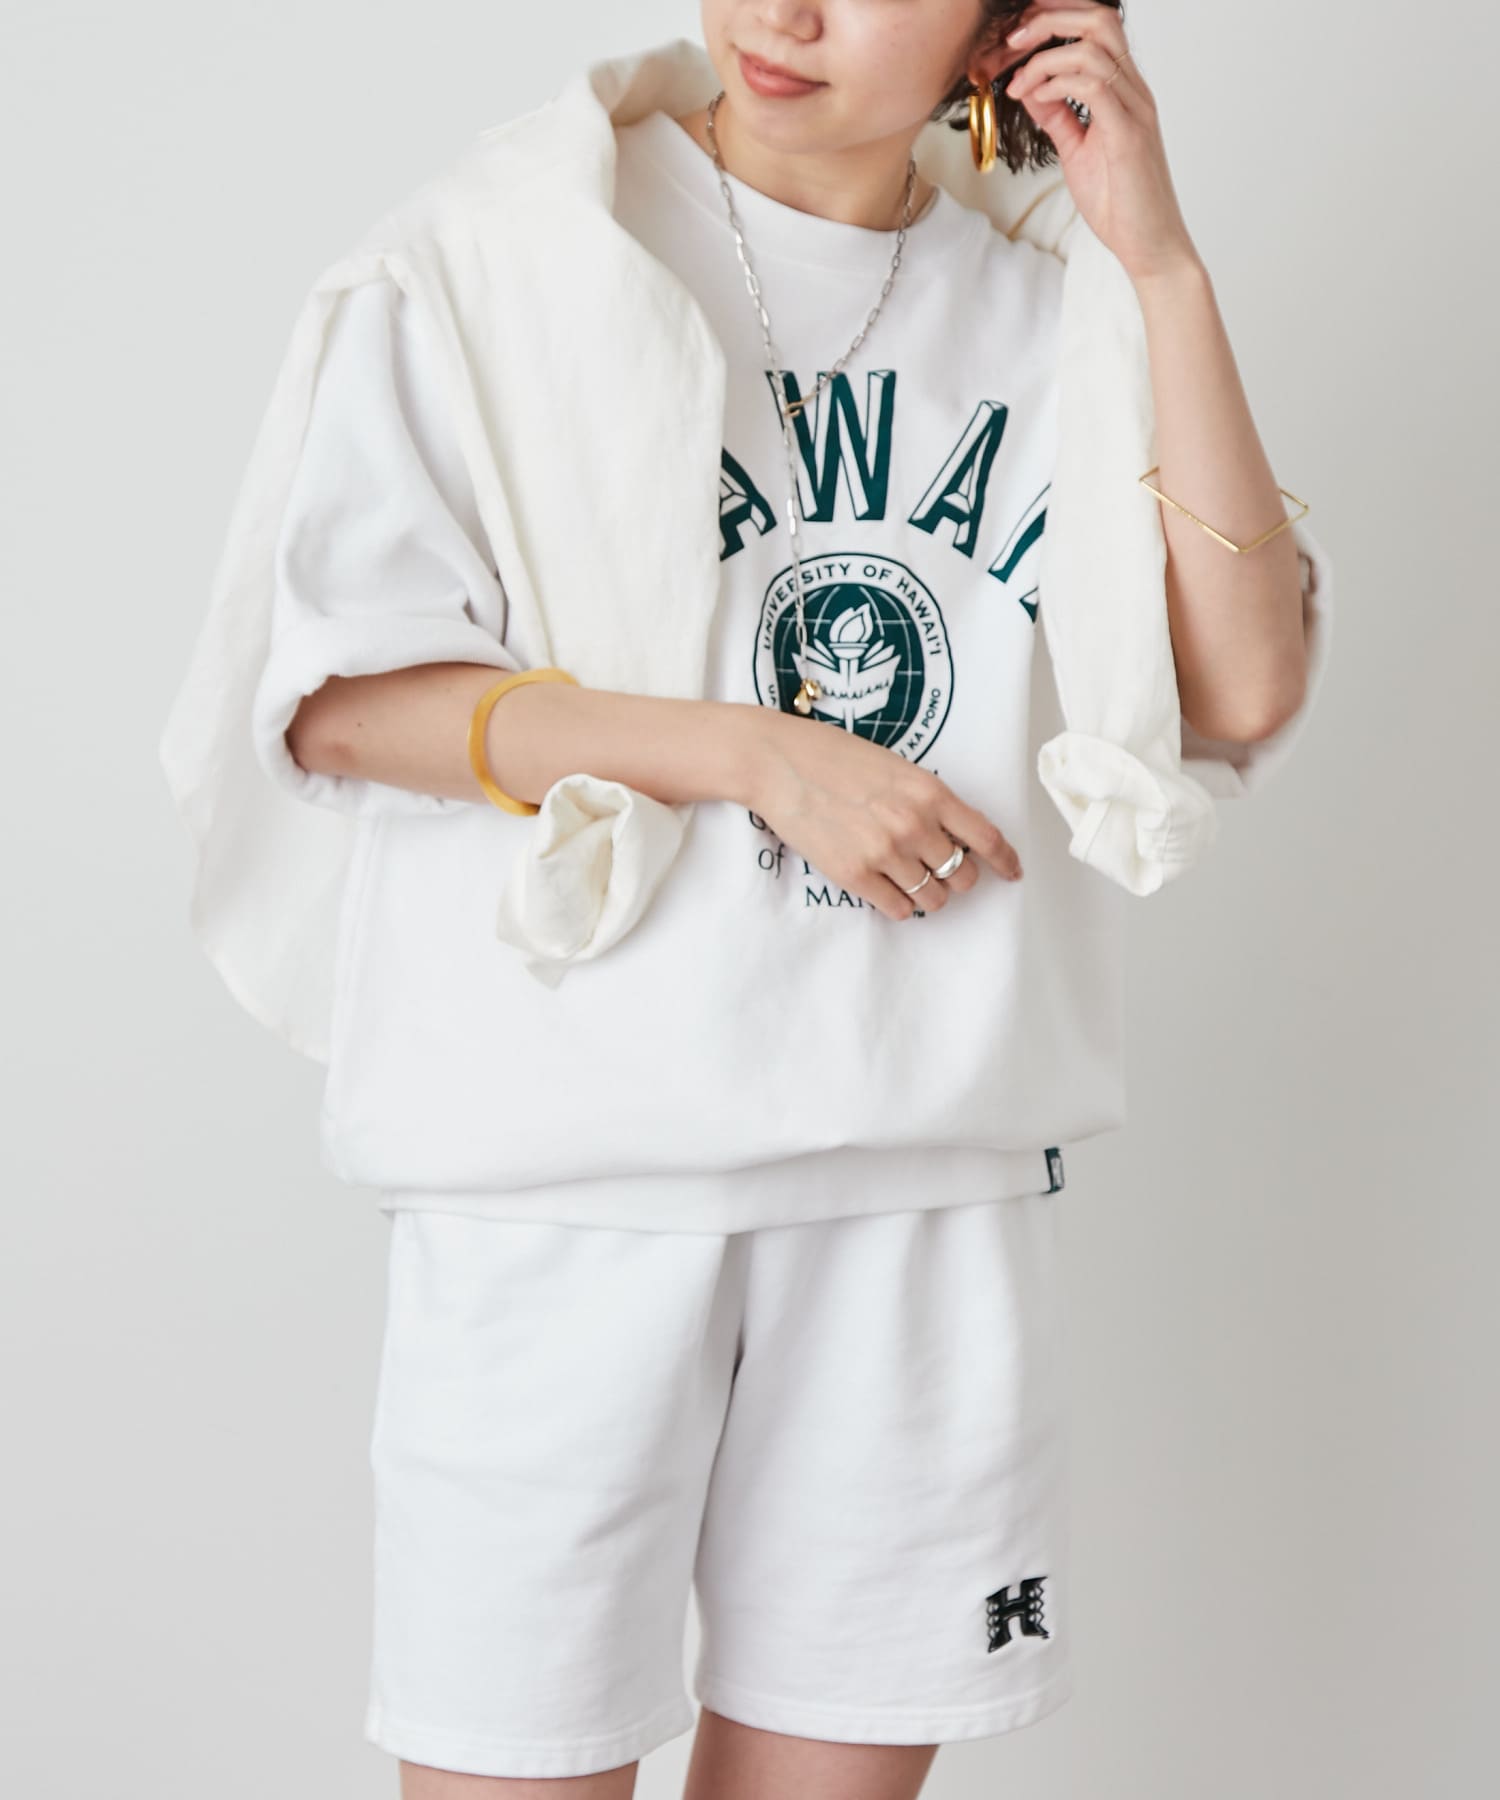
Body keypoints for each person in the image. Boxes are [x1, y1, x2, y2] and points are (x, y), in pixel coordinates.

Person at [163, 3, 1333, 1795]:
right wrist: (748, 754)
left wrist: (1159, 264)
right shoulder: (505, 251)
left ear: (1006, 32)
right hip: (568, 1184)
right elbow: (338, 700)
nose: (787, 14)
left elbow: (1241, 690)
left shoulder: (1065, 311)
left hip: (920, 1186)